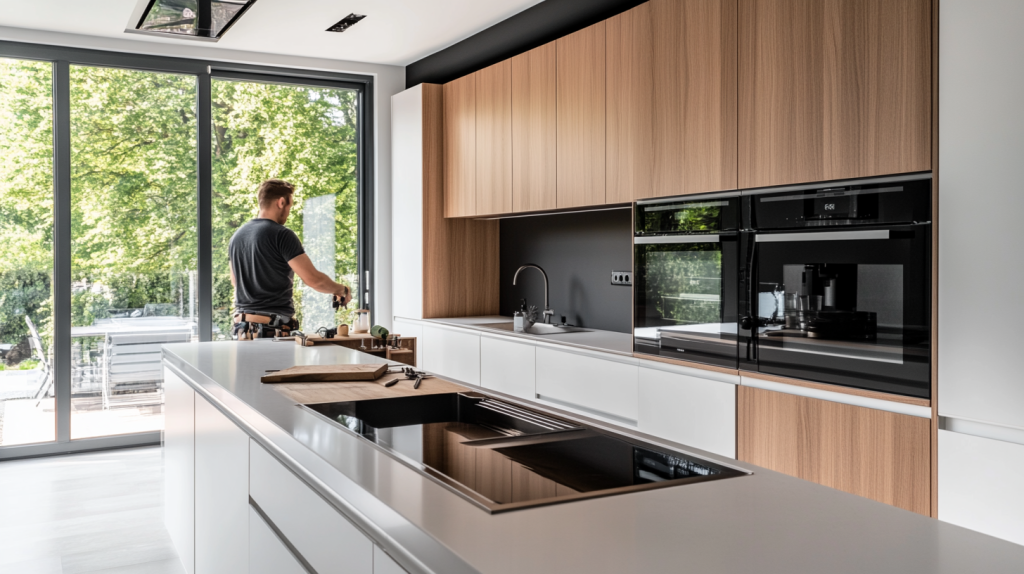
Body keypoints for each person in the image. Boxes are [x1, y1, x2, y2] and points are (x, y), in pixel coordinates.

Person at [228, 179, 351, 340]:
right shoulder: (281, 235)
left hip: (243, 331)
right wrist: (342, 290)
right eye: (289, 206)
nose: (288, 212)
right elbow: (313, 280)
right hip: (270, 330)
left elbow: (234, 281)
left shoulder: (237, 237)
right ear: (281, 202)